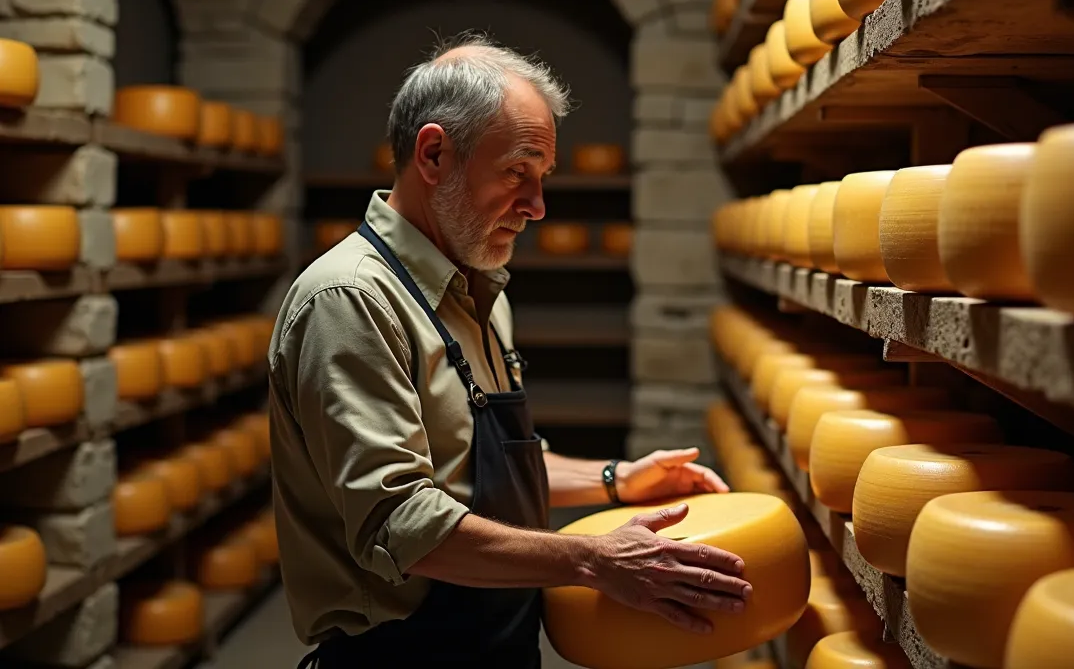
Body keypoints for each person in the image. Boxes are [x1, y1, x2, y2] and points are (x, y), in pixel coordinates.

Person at [268, 33, 751, 668]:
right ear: (434, 154)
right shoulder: (350, 301)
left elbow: (479, 471)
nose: (538, 207)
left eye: (543, 177)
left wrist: (615, 479)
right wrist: (590, 559)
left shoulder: (480, 289)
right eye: (516, 172)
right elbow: (400, 523)